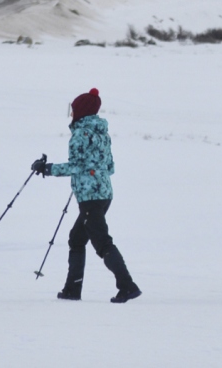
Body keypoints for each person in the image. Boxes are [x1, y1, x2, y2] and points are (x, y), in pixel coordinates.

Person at [32, 87, 141, 303]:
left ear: (81, 112)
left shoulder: (80, 135)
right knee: (77, 238)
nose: (71, 114)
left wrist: (47, 169)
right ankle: (72, 290)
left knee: (102, 242)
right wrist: (91, 175)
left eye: (73, 110)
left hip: (90, 197)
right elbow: (109, 167)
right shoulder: (102, 133)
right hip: (104, 193)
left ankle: (127, 286)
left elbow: (77, 165)